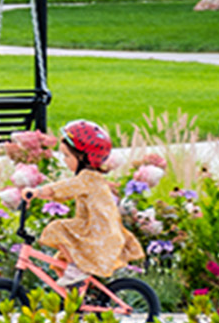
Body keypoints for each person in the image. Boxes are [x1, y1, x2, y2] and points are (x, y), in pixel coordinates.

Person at [26, 119, 144, 283]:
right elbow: (65, 193)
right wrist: (39, 196)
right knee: (61, 261)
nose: (64, 160)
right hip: (96, 229)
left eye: (67, 156)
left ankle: (76, 270)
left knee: (57, 228)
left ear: (82, 157)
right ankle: (77, 293)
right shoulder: (90, 177)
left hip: (97, 233)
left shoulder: (87, 178)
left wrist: (37, 191)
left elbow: (63, 188)